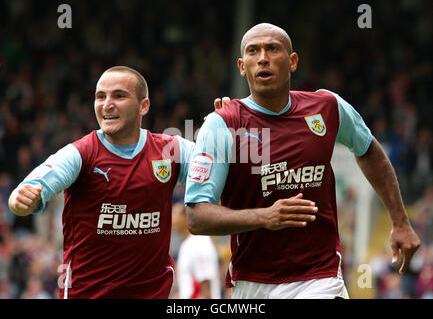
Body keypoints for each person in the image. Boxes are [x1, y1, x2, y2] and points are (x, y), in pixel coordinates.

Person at [184, 23, 421, 299]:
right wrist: (265, 216)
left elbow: (368, 150)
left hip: (319, 278)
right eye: (253, 51)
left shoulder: (327, 107)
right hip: (252, 283)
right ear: (241, 65)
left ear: (293, 61)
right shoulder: (223, 125)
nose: (263, 57)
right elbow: (196, 216)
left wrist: (400, 221)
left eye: (272, 49)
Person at [8, 66, 201, 298]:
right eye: (101, 96)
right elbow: (26, 191)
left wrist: (221, 127)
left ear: (144, 105)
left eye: (119, 96)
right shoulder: (81, 154)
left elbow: (222, 166)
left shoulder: (171, 150)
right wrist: (20, 199)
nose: (107, 104)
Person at [172, 202, 221, 299]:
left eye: (174, 214)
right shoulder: (187, 244)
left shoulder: (199, 242)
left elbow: (206, 290)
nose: (172, 220)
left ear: (185, 217)